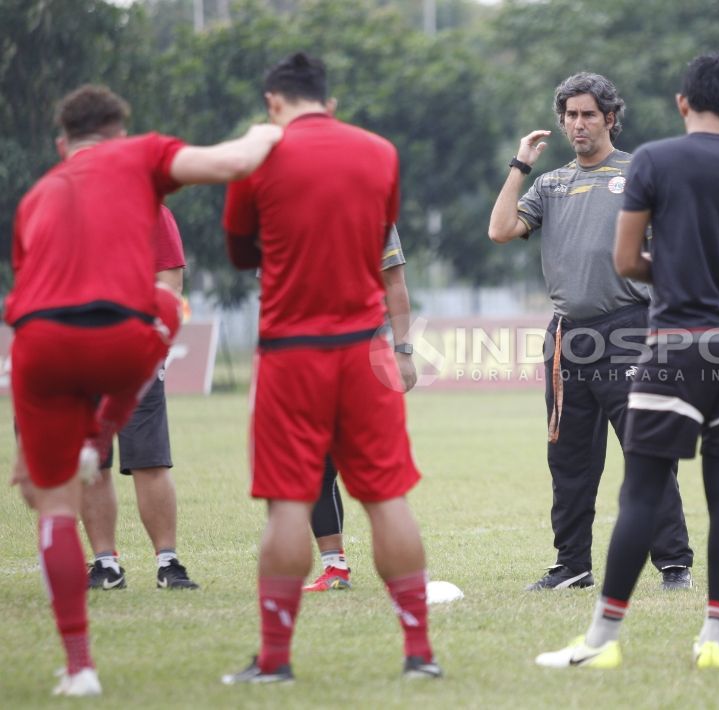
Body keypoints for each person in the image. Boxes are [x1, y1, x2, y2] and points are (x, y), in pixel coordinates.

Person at [7, 84, 280, 697]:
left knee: (51, 505)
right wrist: (273, 128)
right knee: (164, 304)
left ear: (61, 144)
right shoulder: (140, 156)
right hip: (119, 334)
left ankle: (79, 668)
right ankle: (99, 431)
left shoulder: (37, 195)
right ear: (119, 132)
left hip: (38, 344)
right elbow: (234, 161)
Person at [535, 52, 719, 670]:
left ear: (682, 104)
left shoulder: (653, 161)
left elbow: (626, 261)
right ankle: (714, 641)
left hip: (674, 344)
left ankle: (601, 641)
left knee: (641, 490)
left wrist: (672, 277)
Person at [219, 52, 441, 685]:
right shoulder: (379, 152)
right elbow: (382, 240)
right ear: (330, 102)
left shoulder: (257, 154)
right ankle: (419, 653)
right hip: (364, 349)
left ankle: (275, 660)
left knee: (289, 503)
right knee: (387, 497)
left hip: (291, 353)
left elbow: (240, 254)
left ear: (273, 103)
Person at [488, 72, 693, 592]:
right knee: (569, 460)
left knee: (645, 453)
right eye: (570, 115)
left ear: (610, 118)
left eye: (588, 114)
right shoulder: (551, 184)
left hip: (629, 330)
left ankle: (674, 564)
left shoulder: (639, 173)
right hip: (566, 339)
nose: (578, 124)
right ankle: (572, 566)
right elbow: (500, 230)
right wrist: (520, 165)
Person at [82, 205, 200, 591]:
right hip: (79, 350)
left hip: (135, 351)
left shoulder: (152, 211)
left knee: (150, 460)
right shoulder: (66, 206)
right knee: (92, 462)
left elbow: (170, 283)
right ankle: (105, 565)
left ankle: (168, 562)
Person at [304, 225, 414, 593]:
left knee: (380, 472)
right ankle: (334, 567)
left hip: (364, 353)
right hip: (305, 355)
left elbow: (394, 282)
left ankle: (407, 581)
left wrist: (403, 351)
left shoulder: (373, 206)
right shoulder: (284, 201)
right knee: (314, 466)